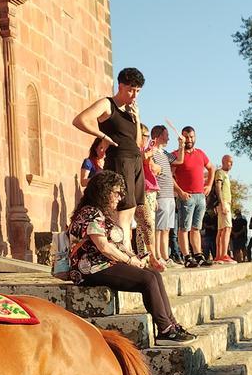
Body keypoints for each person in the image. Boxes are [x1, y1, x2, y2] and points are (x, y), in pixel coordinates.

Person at [68, 170, 195, 343]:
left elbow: (115, 245)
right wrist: (129, 261)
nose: (120, 197)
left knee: (154, 275)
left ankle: (171, 325)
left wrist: (143, 259)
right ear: (103, 191)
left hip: (103, 264)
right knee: (147, 280)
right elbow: (104, 247)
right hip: (90, 269)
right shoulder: (90, 213)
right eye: (117, 193)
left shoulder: (99, 213)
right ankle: (165, 330)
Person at [72, 67, 160, 265]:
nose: (134, 94)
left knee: (131, 210)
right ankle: (124, 257)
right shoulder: (107, 104)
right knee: (120, 209)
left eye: (138, 91)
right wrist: (103, 136)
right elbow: (79, 120)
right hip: (119, 160)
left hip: (135, 160)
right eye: (131, 89)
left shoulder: (130, 111)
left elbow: (137, 142)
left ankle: (128, 253)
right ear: (120, 86)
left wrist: (136, 119)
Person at [170, 126, 214, 268]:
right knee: (184, 228)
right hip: (186, 196)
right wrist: (179, 191)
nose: (189, 140)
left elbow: (211, 168)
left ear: (195, 137)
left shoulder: (200, 153)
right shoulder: (176, 154)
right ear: (181, 138)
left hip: (200, 196)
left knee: (196, 228)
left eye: (191, 137)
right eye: (186, 137)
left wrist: (209, 185)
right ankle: (187, 256)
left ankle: (198, 255)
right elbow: (169, 175)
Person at [146, 125, 179, 266]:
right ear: (158, 136)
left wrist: (181, 145)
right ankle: (157, 256)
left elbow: (179, 161)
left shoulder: (164, 153)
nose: (168, 138)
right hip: (160, 194)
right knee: (159, 228)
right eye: (166, 135)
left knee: (166, 228)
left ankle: (165, 257)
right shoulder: (151, 151)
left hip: (170, 195)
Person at [213, 155, 236, 262]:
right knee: (226, 228)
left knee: (222, 229)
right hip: (224, 202)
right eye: (229, 162)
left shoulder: (225, 174)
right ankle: (223, 254)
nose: (231, 164)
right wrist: (222, 203)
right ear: (224, 161)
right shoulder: (220, 173)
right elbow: (218, 187)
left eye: (232, 163)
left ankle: (219, 254)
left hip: (226, 202)